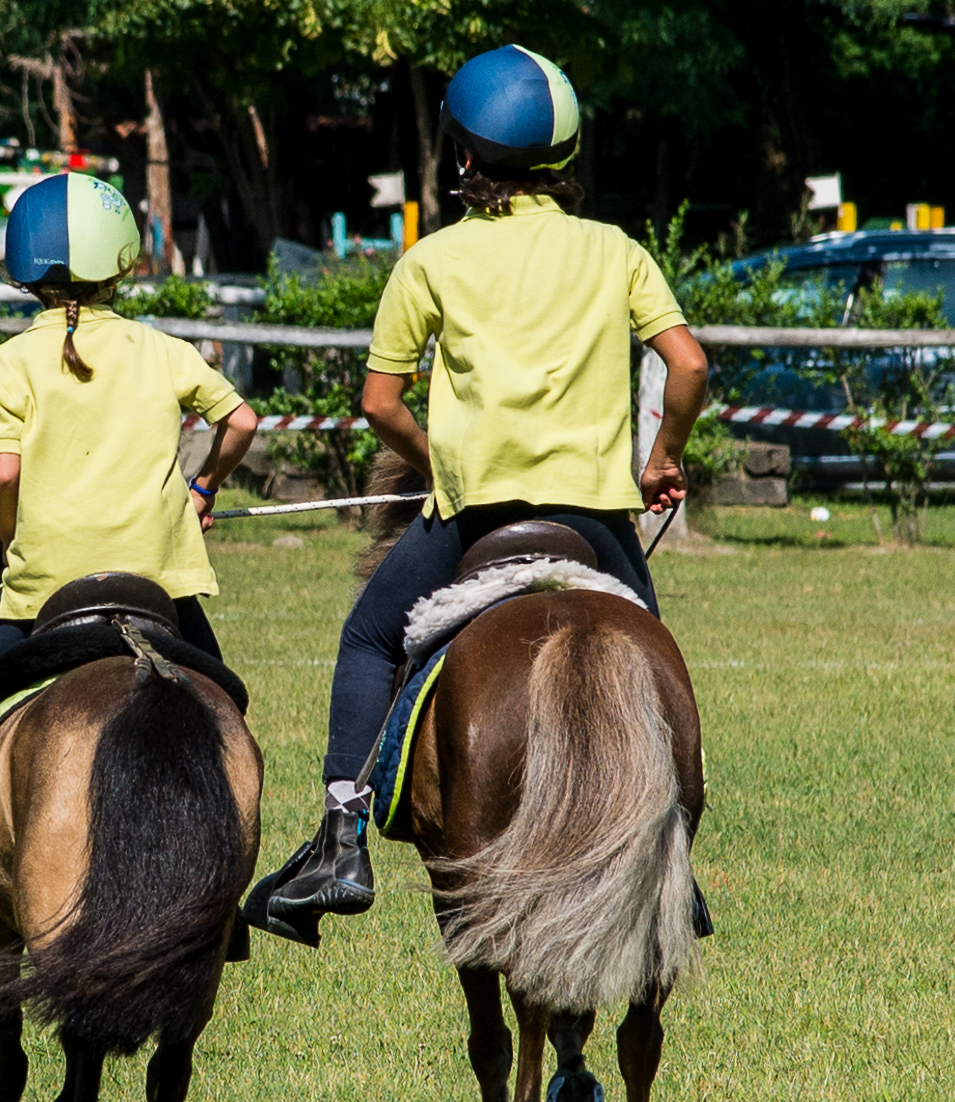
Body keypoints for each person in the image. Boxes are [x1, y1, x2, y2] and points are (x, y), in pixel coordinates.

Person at [243, 44, 711, 946]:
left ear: (465, 157)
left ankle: (341, 837)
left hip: (472, 523)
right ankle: (673, 858)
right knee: (658, 660)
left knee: (370, 637)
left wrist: (435, 458)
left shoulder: (432, 260)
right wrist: (662, 456)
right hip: (595, 527)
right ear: (565, 159)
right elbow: (686, 365)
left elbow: (380, 401)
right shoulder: (617, 251)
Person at [0, 171, 260, 950]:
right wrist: (202, 485)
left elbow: (2, 474)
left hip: (44, 587)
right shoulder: (163, 350)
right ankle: (224, 885)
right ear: (123, 262)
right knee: (226, 706)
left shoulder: (8, 366)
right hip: (158, 584)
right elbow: (242, 419)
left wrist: (14, 528)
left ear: (24, 272)